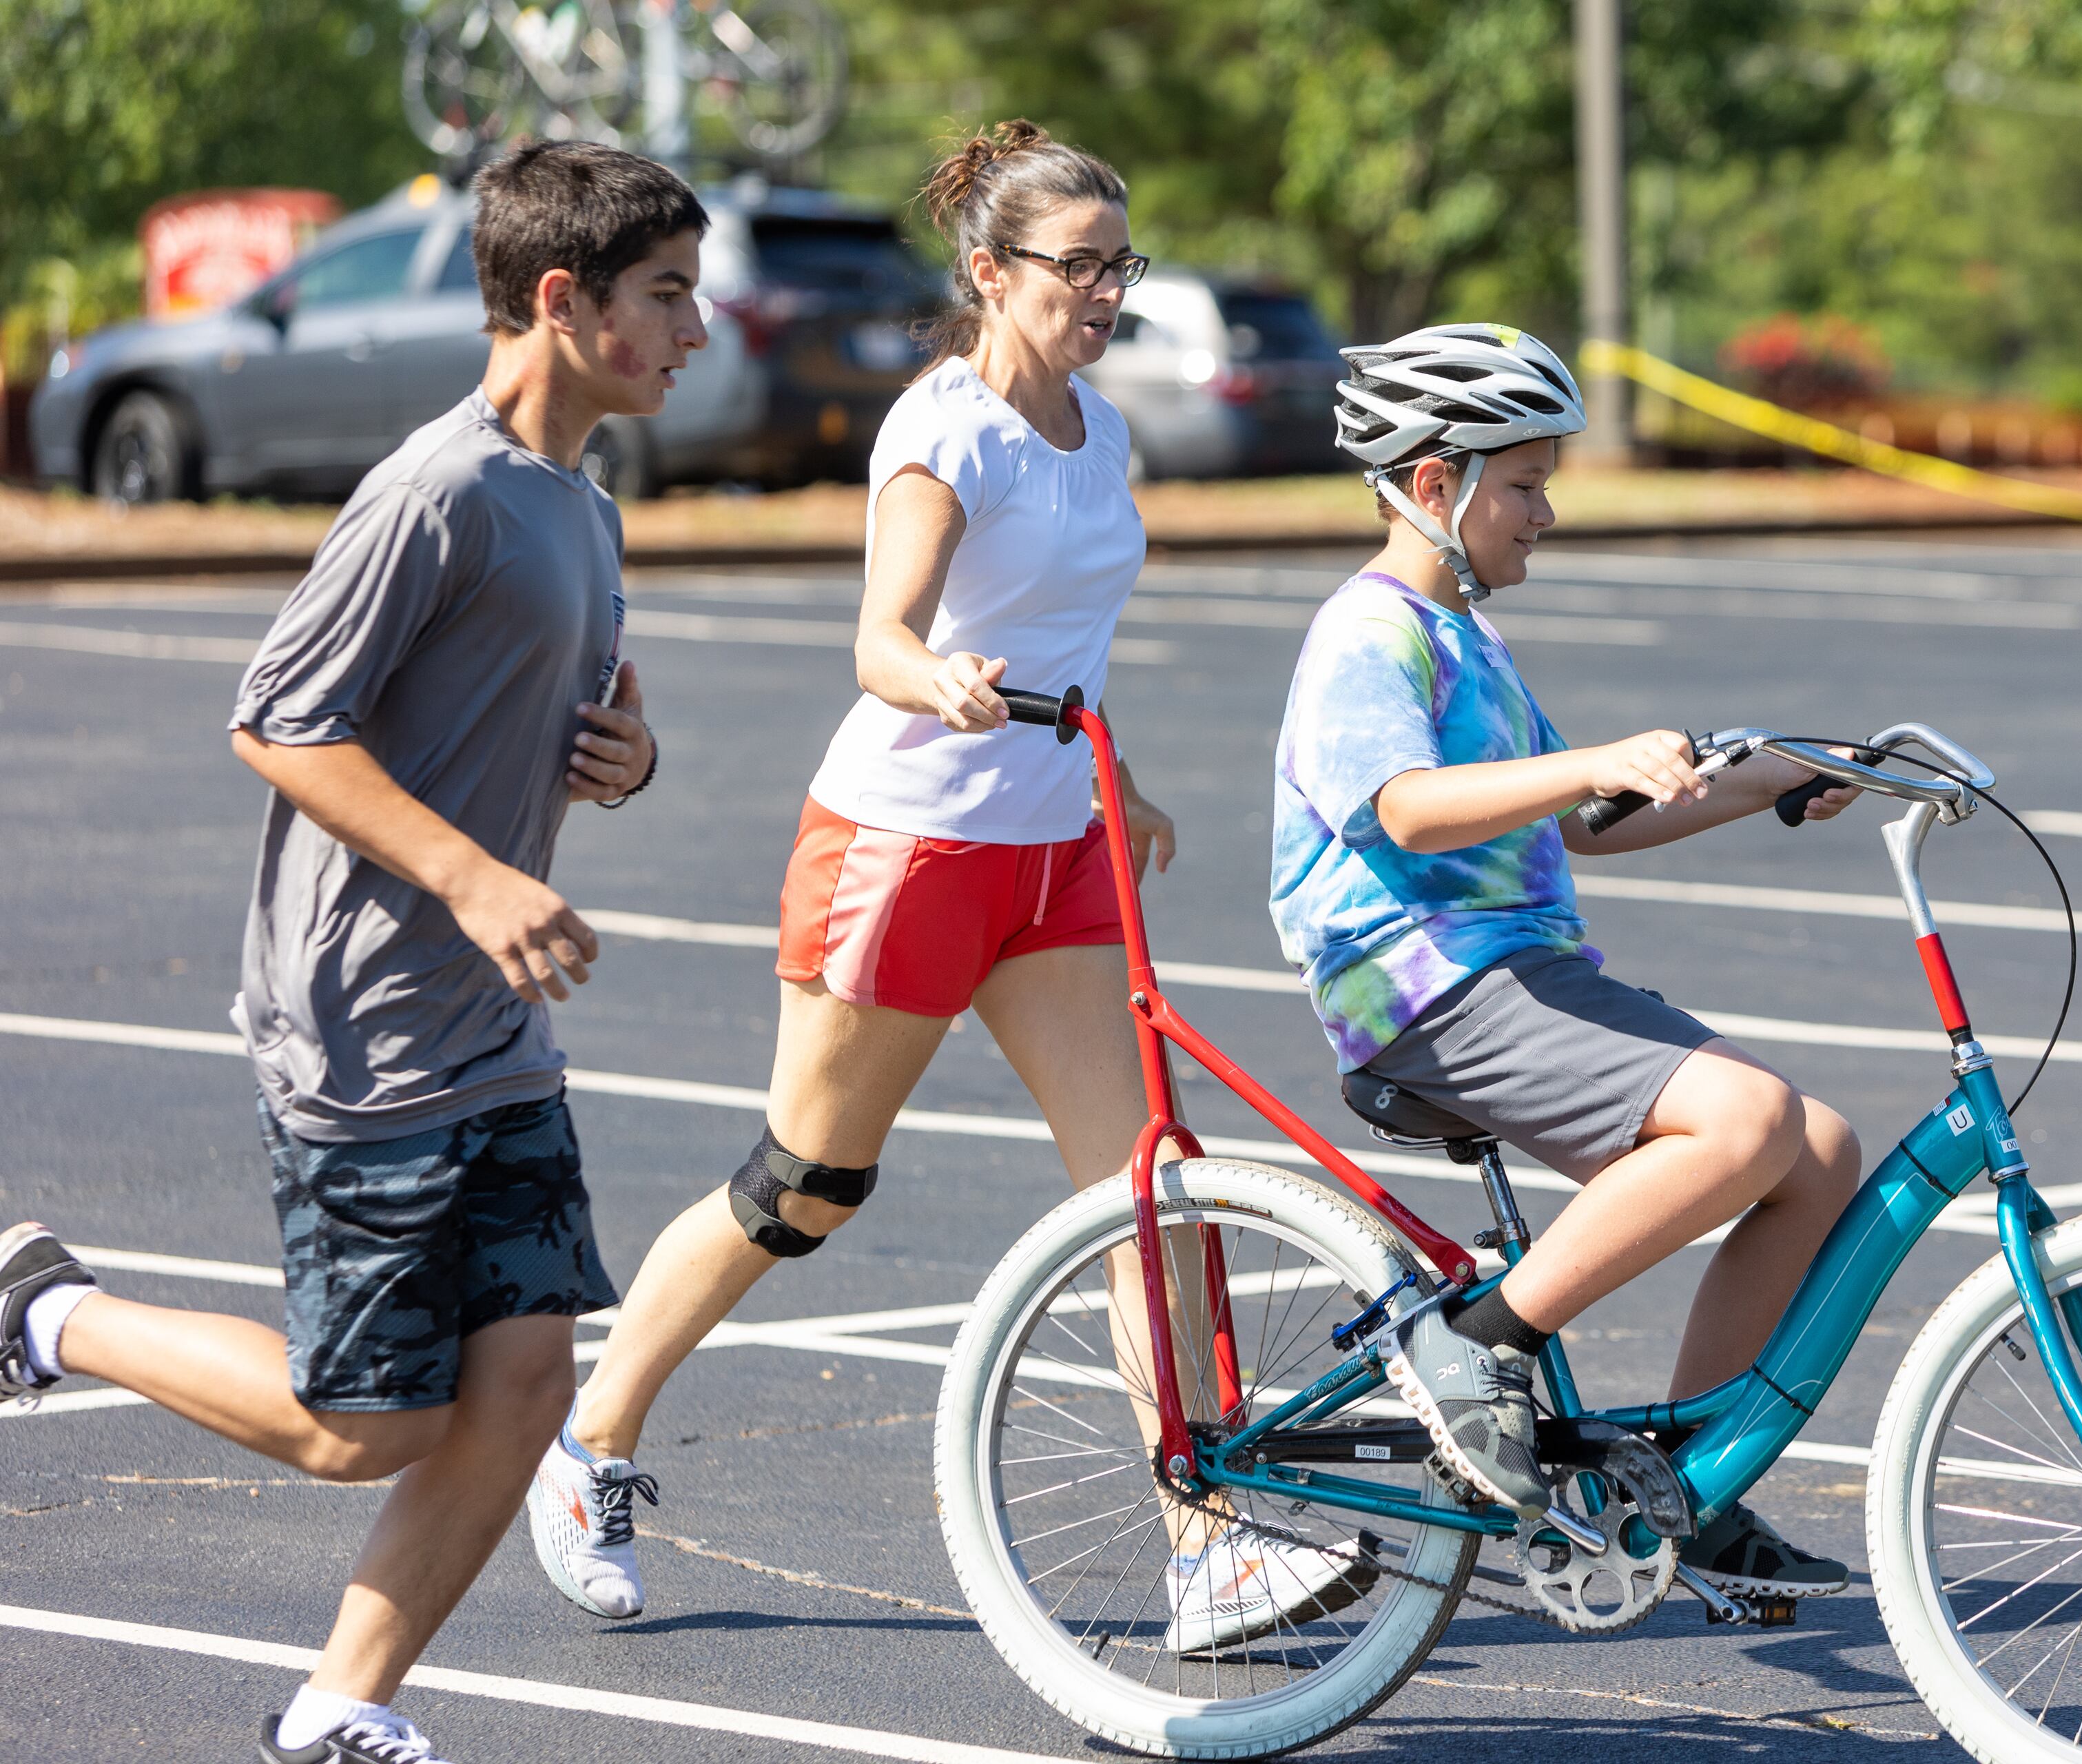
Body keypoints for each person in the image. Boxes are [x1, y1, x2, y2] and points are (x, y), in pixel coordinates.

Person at [524, 121, 1372, 1657]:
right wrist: (944, 680)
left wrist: (1125, 778)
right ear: (991, 273)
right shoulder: (944, 428)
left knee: (1147, 1201)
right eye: (1078, 264)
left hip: (1055, 852)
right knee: (806, 1187)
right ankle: (590, 1445)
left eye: (1124, 262)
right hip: (905, 844)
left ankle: (1207, 1543)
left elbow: (1073, 633)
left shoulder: (1099, 431)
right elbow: (878, 639)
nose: (1107, 290)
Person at [0, 139, 689, 1763]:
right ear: (560, 300)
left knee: (523, 1388)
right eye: (666, 296)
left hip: (495, 1027)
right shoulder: (434, 490)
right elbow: (277, 721)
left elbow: (565, 716)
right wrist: (472, 875)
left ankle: (339, 1708)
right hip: (366, 1020)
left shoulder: (584, 506)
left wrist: (628, 758)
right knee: (363, 1426)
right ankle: (44, 1313)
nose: (698, 328)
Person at [1269, 324, 1868, 1600]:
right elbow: (1406, 809)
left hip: (1517, 968)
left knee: (1816, 1154)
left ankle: (1692, 1485)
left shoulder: (1467, 637)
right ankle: (1479, 1346)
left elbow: (1596, 826)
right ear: (1435, 483)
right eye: (1527, 482)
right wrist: (1592, 758)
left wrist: (1782, 776)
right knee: (1747, 1116)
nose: (1548, 509)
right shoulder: (1369, 634)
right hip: (1427, 983)